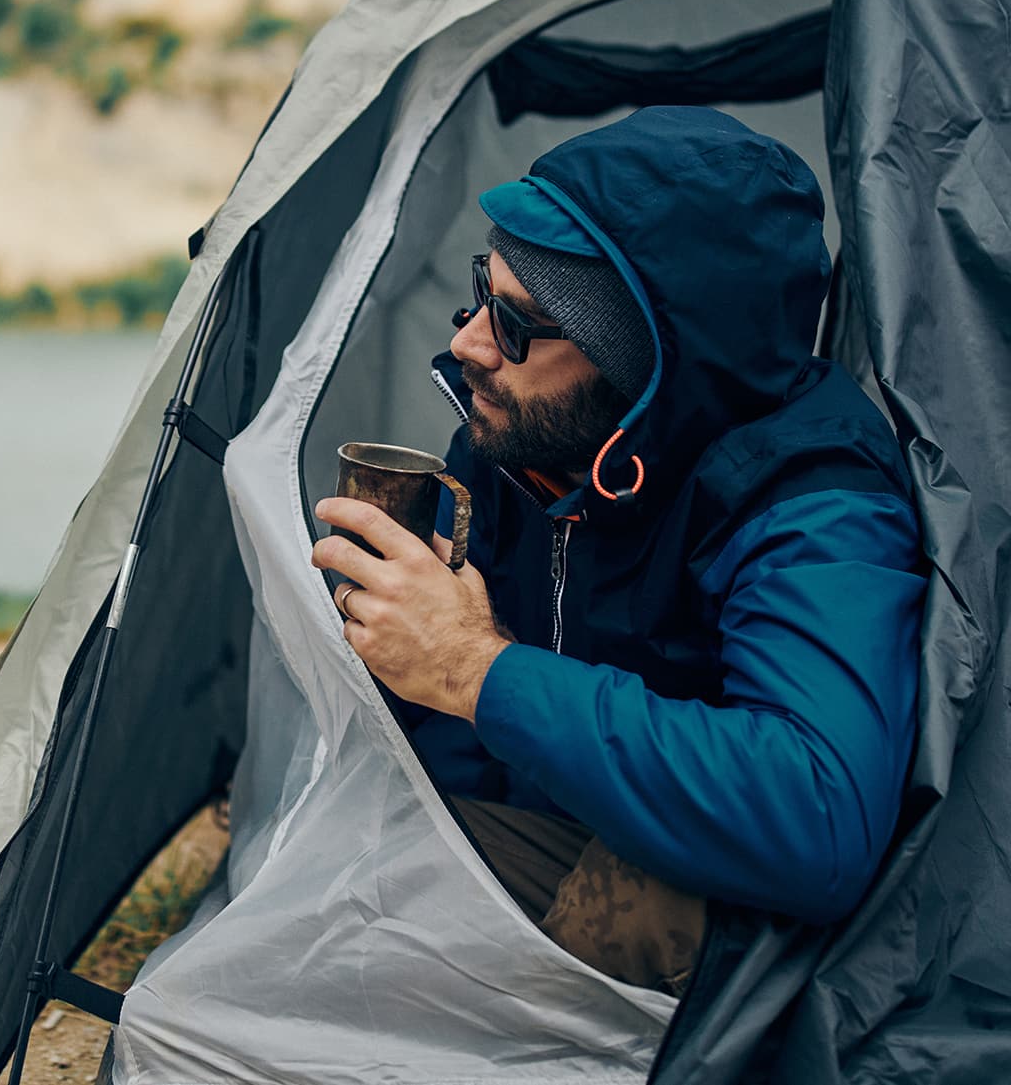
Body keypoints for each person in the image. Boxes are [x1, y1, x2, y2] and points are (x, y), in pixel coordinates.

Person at [310, 106, 926, 994]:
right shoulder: (519, 440)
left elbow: (820, 817)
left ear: (641, 367)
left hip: (747, 920)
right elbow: (453, 756)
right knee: (349, 864)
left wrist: (477, 669)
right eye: (484, 290)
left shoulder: (811, 502)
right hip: (556, 833)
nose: (468, 343)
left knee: (629, 900)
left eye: (519, 325)